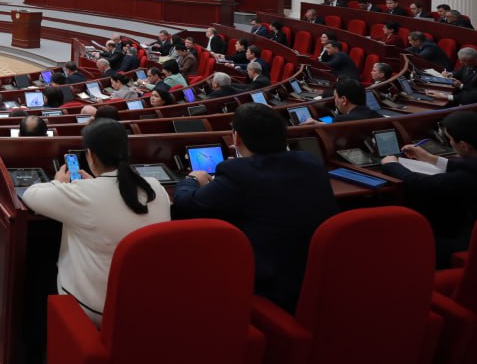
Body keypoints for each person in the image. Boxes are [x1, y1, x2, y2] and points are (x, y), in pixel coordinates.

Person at [172, 103, 338, 311]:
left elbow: (188, 204)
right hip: (318, 276)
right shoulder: (310, 162)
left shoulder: (237, 173)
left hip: (271, 287)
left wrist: (191, 179)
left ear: (237, 138)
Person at [21, 118, 170, 327]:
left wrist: (57, 182)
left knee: (37, 267)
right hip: (145, 303)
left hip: (95, 309)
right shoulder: (156, 188)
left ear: (90, 156)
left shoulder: (83, 194)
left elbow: (30, 195)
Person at [380, 111, 477, 265]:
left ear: (464, 145)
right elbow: (470, 165)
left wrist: (392, 165)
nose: (450, 143)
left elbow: (418, 184)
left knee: (401, 242)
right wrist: (429, 158)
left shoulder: (470, 177)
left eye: (450, 139)